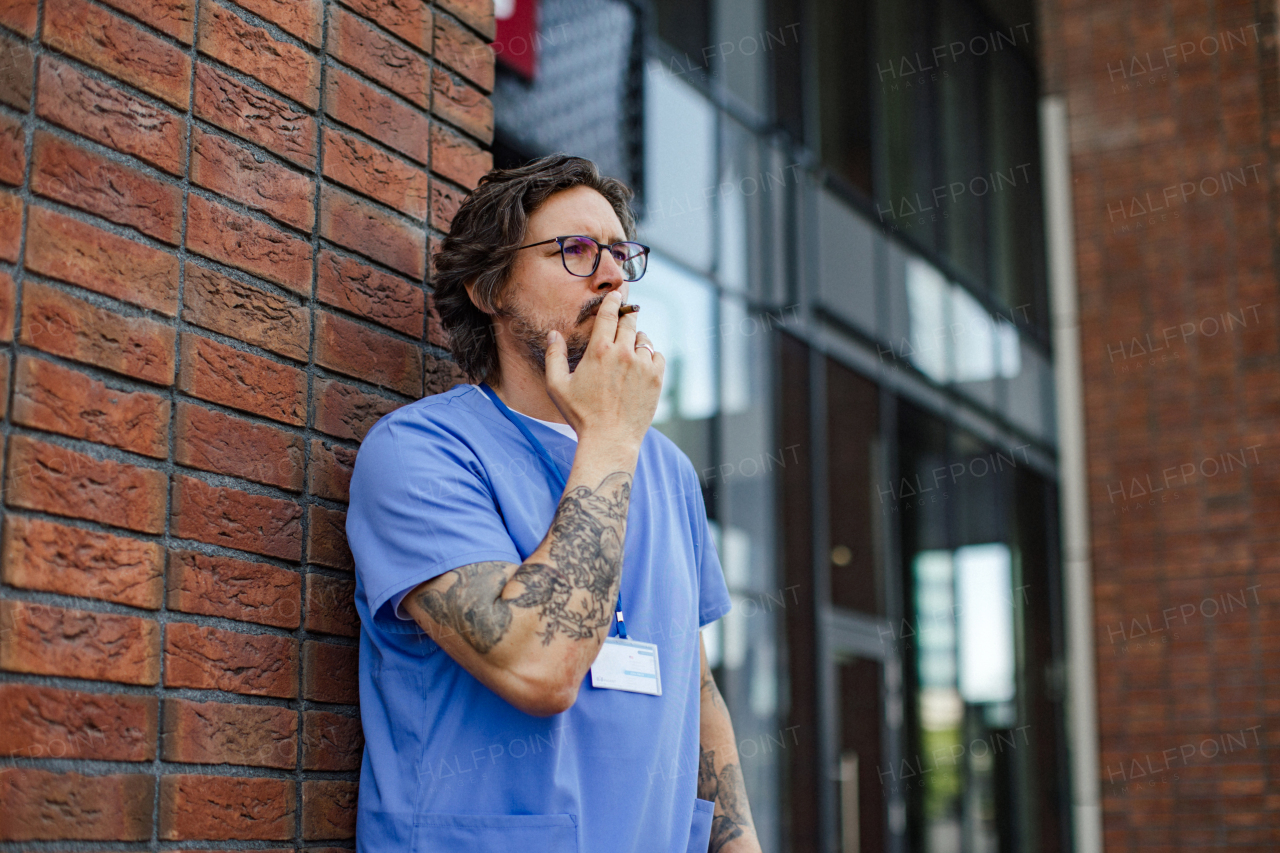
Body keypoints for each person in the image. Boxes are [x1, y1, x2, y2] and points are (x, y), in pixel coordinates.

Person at [346, 154, 764, 853]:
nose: (611, 274)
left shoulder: (668, 470)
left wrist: (740, 844)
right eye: (574, 250)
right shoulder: (419, 453)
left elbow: (697, 688)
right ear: (489, 287)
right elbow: (542, 664)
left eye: (621, 253)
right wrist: (608, 433)